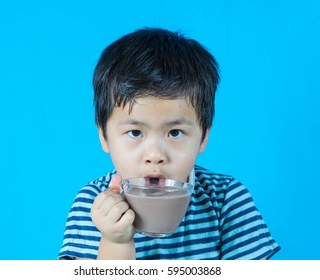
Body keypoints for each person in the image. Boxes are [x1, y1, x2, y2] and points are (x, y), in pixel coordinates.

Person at [58, 27, 280, 260]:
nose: (154, 155)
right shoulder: (92, 204)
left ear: (203, 137)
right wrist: (115, 240)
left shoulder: (225, 199)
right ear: (104, 136)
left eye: (175, 133)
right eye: (135, 132)